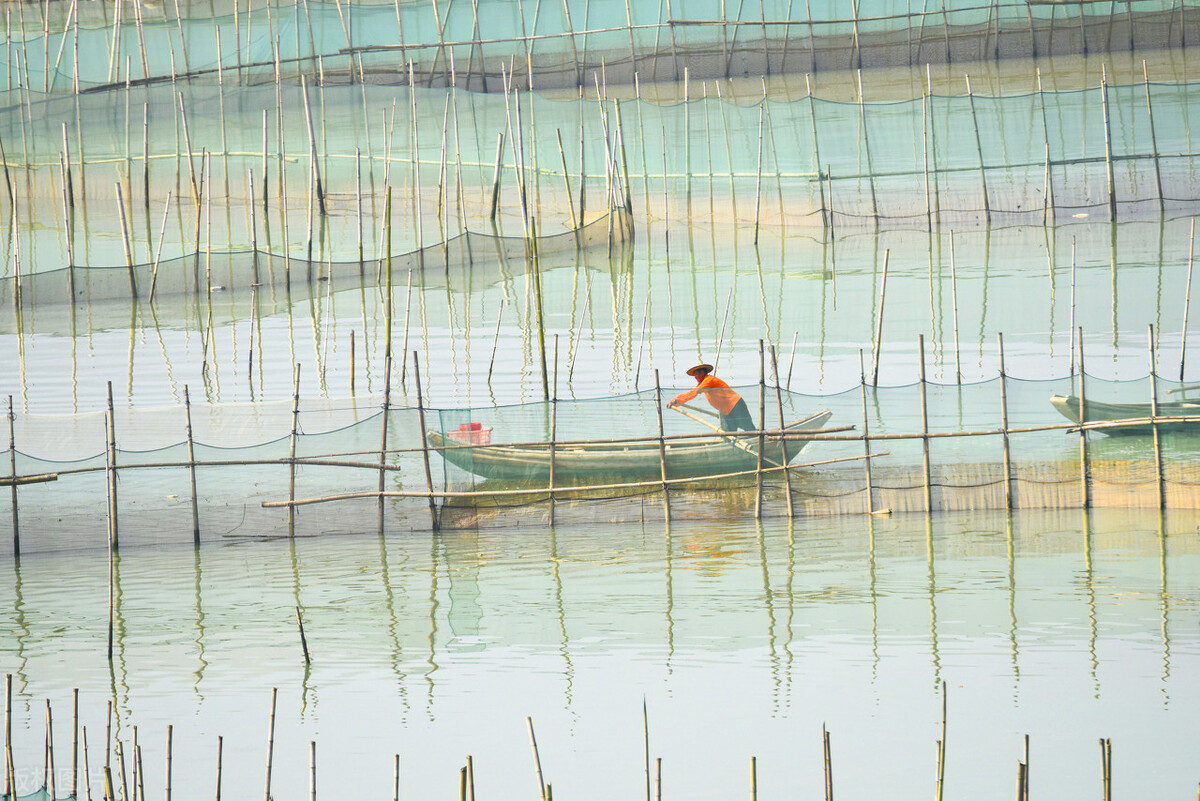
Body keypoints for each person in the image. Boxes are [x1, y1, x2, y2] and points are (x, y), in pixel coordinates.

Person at [668, 363, 756, 432]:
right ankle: (730, 450)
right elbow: (693, 391)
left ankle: (758, 442)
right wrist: (677, 401)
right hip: (725, 410)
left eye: (697, 374)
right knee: (728, 434)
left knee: (748, 428)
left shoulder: (708, 380)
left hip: (735, 405)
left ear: (703, 373)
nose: (695, 377)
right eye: (694, 374)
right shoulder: (702, 383)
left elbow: (693, 392)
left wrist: (676, 400)